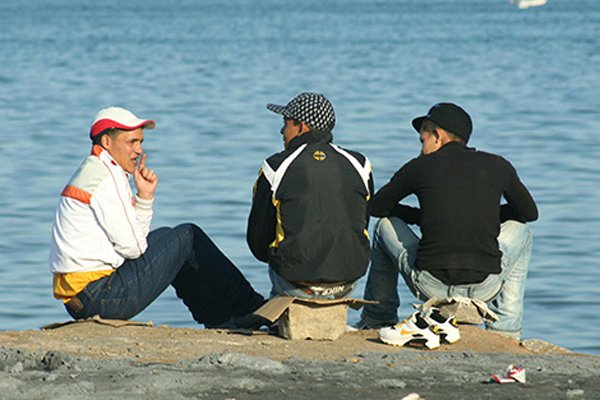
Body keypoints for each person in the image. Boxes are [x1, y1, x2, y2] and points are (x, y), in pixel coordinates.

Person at [49, 106, 265, 328]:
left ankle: (219, 318)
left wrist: (144, 196)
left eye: (140, 142)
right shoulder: (105, 179)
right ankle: (250, 306)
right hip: (99, 297)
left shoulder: (93, 170)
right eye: (131, 142)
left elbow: (134, 244)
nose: (138, 150)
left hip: (83, 298)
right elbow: (133, 248)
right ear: (106, 142)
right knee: (187, 237)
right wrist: (145, 201)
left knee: (168, 238)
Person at [359, 102, 538, 339]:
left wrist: (419, 217)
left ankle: (377, 318)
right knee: (522, 232)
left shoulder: (419, 167)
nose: (420, 144)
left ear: (438, 135)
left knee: (383, 227)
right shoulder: (498, 165)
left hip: (430, 284)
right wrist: (485, 215)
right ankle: (506, 330)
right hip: (484, 285)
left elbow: (378, 207)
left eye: (423, 138)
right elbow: (528, 213)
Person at [247, 92, 373, 299]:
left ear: (302, 126)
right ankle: (376, 318)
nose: (281, 130)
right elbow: (362, 223)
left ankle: (277, 311)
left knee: (278, 253)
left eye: (285, 122)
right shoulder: (360, 164)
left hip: (296, 282)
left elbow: (258, 242)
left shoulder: (275, 167)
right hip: (348, 280)